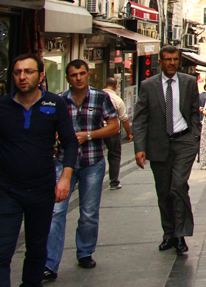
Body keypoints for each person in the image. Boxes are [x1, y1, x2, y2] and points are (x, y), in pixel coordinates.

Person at [0, 54, 77, 287]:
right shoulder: (0, 107)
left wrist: (65, 176)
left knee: (35, 250)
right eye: (17, 72)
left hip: (42, 190)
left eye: (28, 71)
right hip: (6, 190)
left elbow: (70, 142)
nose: (22, 77)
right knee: (0, 252)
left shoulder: (55, 104)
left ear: (41, 75)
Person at [45, 60, 119, 279]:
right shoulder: (58, 101)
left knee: (88, 212)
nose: (78, 78)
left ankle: (85, 252)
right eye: (73, 74)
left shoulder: (100, 97)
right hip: (62, 163)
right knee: (56, 212)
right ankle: (50, 264)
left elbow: (114, 126)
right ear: (67, 78)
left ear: (88, 75)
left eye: (82, 73)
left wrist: (89, 135)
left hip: (91, 162)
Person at [132, 45, 201, 256]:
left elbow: (193, 112)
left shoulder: (189, 82)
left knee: (178, 186)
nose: (172, 63)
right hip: (159, 144)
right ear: (159, 62)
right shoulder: (148, 85)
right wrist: (139, 147)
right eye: (167, 59)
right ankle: (168, 233)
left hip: (184, 141)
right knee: (163, 191)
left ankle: (181, 234)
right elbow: (141, 118)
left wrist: (195, 136)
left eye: (175, 59)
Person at [102, 76, 133, 190]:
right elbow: (124, 119)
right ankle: (114, 182)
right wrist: (129, 133)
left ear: (105, 85)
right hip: (112, 132)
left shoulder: (96, 96)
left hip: (97, 131)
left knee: (97, 156)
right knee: (114, 156)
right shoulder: (117, 100)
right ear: (116, 87)